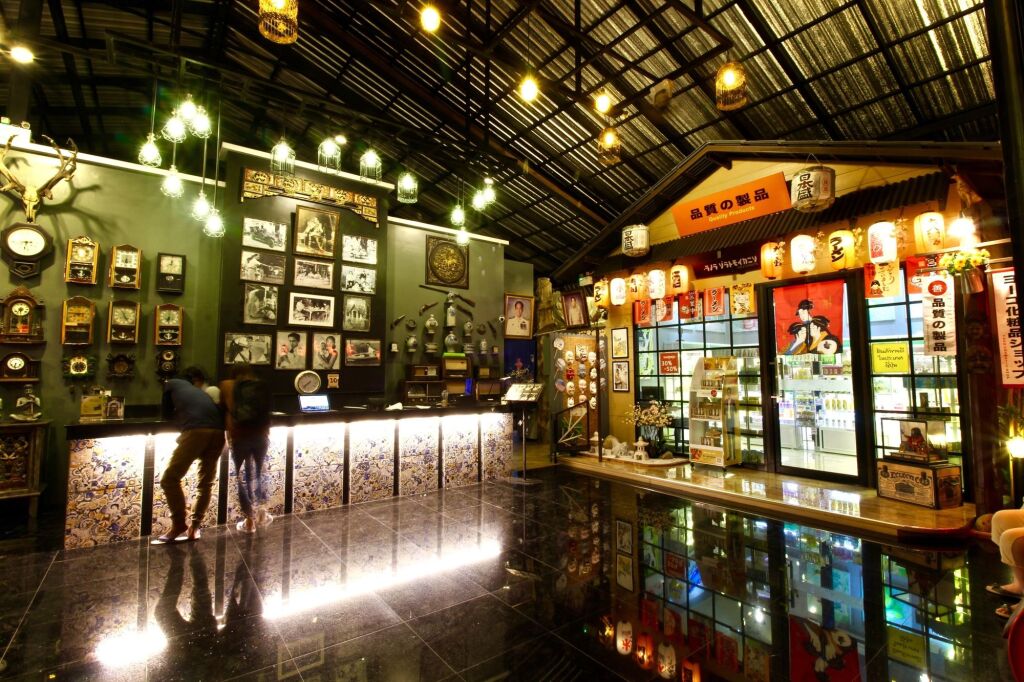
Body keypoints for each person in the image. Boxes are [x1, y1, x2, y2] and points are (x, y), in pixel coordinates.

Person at [157, 366, 225, 543]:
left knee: (170, 479)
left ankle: (179, 523)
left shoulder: (170, 384)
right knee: (206, 483)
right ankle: (194, 527)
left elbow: (165, 415)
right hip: (219, 432)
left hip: (196, 431)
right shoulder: (199, 392)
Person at [220, 363, 273, 534]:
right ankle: (262, 510)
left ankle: (249, 520)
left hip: (239, 436)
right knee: (260, 472)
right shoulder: (261, 386)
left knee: (241, 477)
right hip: (261, 435)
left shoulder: (227, 385)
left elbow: (223, 410)